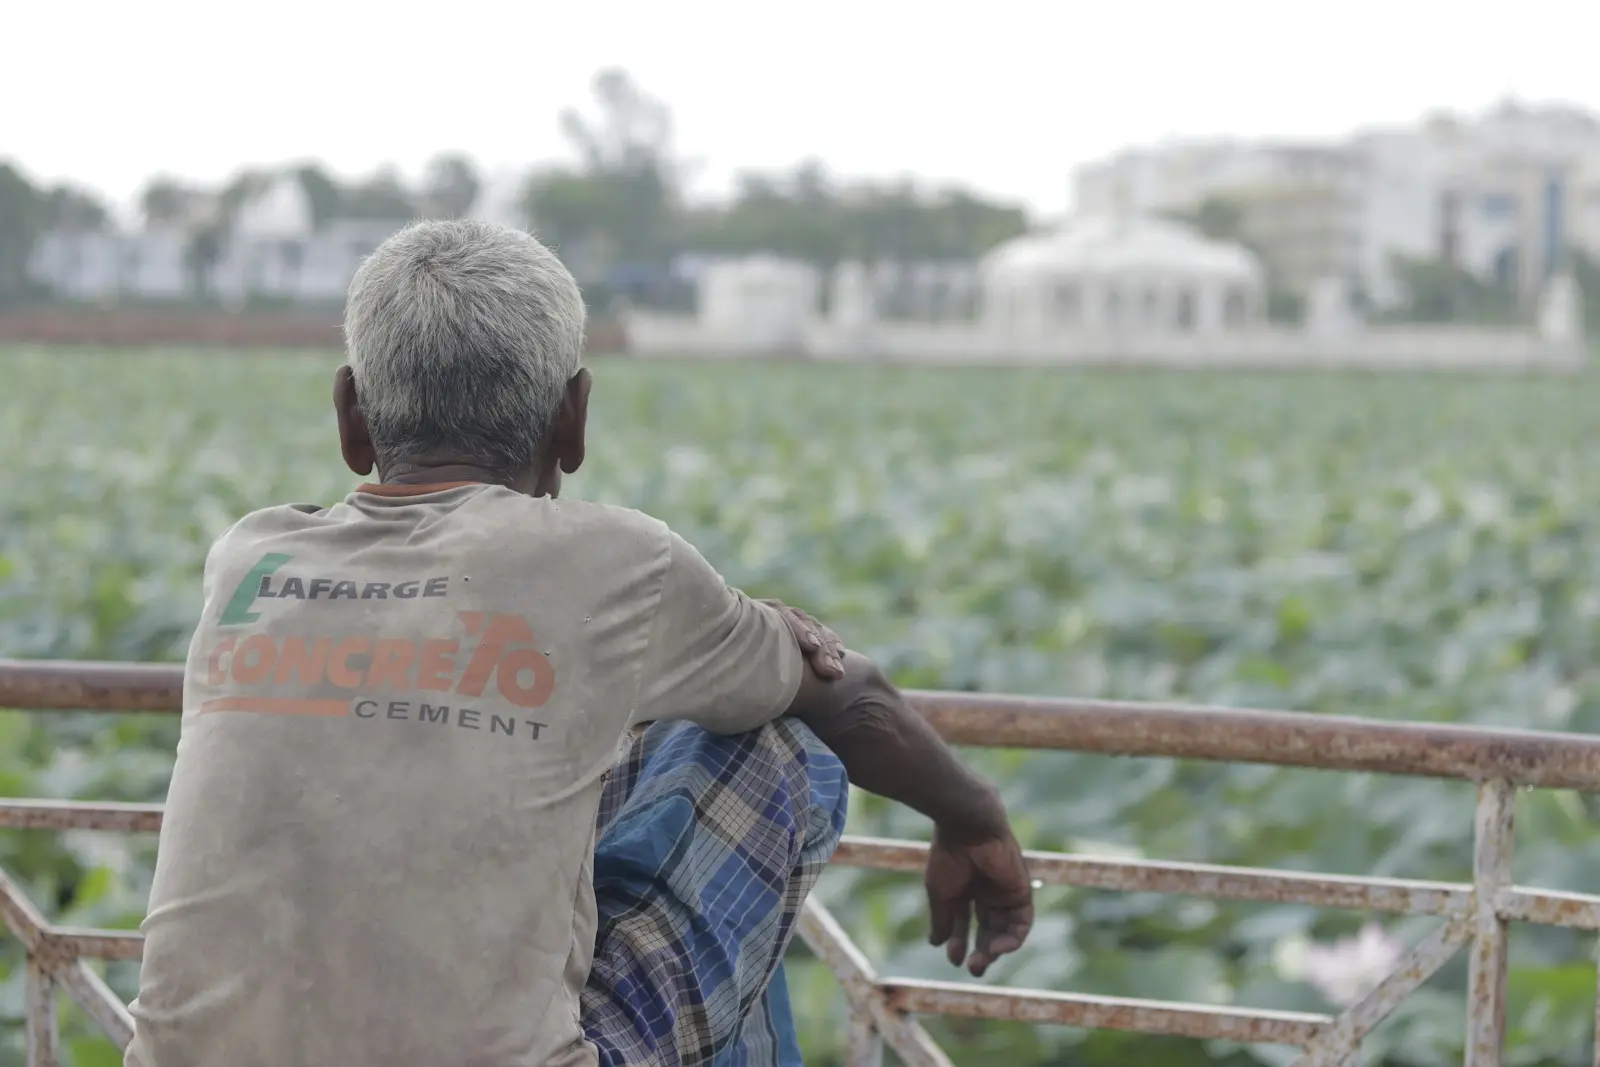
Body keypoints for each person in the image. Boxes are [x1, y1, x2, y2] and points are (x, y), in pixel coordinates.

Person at [126, 220, 1034, 1067]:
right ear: (574, 417)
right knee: (783, 743)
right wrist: (975, 818)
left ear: (351, 416)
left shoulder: (249, 559)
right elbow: (847, 693)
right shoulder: (617, 562)